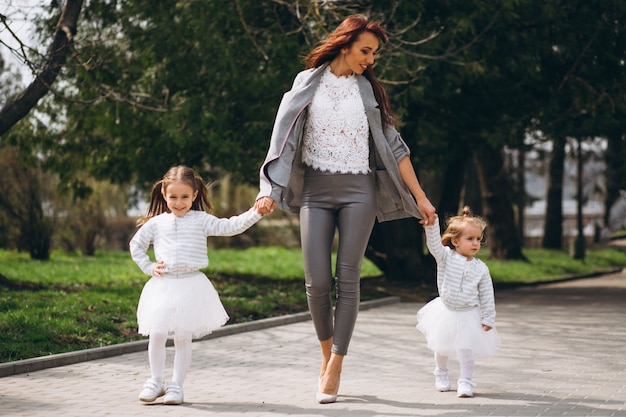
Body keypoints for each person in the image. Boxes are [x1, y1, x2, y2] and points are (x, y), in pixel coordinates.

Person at [254, 15, 436, 403]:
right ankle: (325, 355)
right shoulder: (307, 84)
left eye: (374, 54)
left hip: (360, 190)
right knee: (317, 281)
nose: (370, 60)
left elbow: (397, 148)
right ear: (344, 45)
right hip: (316, 191)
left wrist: (420, 197)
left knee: (347, 278)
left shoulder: (369, 93)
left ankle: (335, 364)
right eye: (365, 51)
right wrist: (269, 188)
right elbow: (282, 139)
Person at [129, 165, 267, 405]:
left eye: (185, 197)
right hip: (162, 285)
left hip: (191, 286)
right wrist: (149, 267)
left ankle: (176, 387)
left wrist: (256, 212)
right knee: (157, 333)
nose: (179, 202)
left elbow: (230, 226)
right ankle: (154, 381)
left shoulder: (201, 220)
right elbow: (136, 246)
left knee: (183, 337)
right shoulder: (157, 223)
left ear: (194, 195)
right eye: (173, 197)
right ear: (164, 194)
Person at [416, 206, 500, 398]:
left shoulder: (481, 269)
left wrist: (488, 317)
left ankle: (465, 381)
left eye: (478, 239)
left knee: (466, 349)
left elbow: (487, 295)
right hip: (445, 311)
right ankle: (441, 373)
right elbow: (434, 246)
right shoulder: (445, 257)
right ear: (455, 241)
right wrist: (432, 225)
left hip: (469, 313)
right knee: (441, 345)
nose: (475, 243)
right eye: (470, 239)